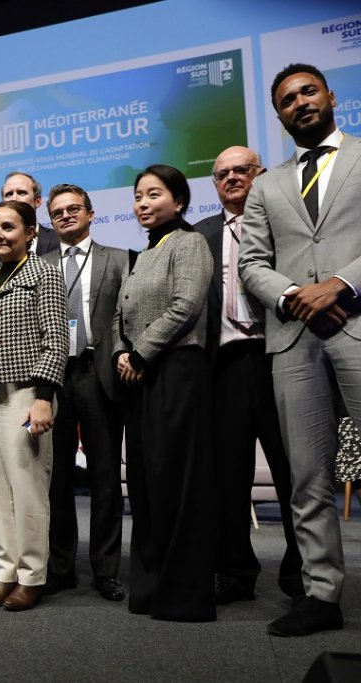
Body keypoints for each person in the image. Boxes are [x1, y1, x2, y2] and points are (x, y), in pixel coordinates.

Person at [240, 63, 361, 637]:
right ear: (280, 114)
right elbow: (251, 264)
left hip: (358, 325)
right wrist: (295, 296)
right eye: (287, 100)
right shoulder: (267, 185)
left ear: (330, 96)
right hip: (294, 340)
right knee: (308, 476)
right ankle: (320, 594)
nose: (300, 103)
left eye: (308, 91)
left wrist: (341, 284)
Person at [193, 146, 303, 604]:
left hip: (282, 356)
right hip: (226, 366)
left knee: (295, 474)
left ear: (261, 175)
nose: (233, 178)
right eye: (223, 174)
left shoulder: (287, 223)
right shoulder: (200, 234)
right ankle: (236, 572)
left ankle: (303, 574)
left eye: (243, 170)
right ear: (214, 184)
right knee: (228, 477)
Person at [113, 164, 214, 622]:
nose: (143, 203)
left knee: (176, 483)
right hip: (142, 377)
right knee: (147, 486)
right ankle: (150, 589)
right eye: (138, 196)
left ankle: (182, 596)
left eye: (154, 194)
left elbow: (186, 305)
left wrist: (141, 354)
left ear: (179, 201)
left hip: (175, 371)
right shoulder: (144, 252)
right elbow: (121, 313)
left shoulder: (190, 243)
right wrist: (121, 351)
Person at [0, 199, 67, 611]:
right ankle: (5, 572)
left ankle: (32, 575)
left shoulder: (45, 274)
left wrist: (43, 398)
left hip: (24, 391)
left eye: (8, 228)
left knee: (28, 485)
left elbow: (57, 341)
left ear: (30, 232)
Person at [41, 184, 127, 601]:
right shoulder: (37, 265)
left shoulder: (120, 258)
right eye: (58, 213)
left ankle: (106, 570)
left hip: (98, 371)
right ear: (50, 221)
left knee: (106, 476)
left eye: (74, 209)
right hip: (52, 376)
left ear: (91, 214)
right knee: (55, 477)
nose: (66, 216)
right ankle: (60, 566)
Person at [0, 172, 60, 255]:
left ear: (37, 201)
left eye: (21, 193)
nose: (14, 199)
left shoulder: (59, 239)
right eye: (9, 194)